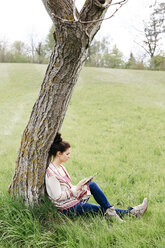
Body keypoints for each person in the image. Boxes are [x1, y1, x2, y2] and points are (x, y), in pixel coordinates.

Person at [45, 133, 148, 221]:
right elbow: (57, 197)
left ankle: (121, 212)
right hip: (66, 208)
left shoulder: (61, 168)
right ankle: (133, 212)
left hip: (72, 200)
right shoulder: (52, 174)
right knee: (99, 209)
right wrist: (76, 188)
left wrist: (79, 186)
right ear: (59, 154)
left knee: (92, 185)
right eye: (67, 154)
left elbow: (67, 188)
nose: (69, 156)